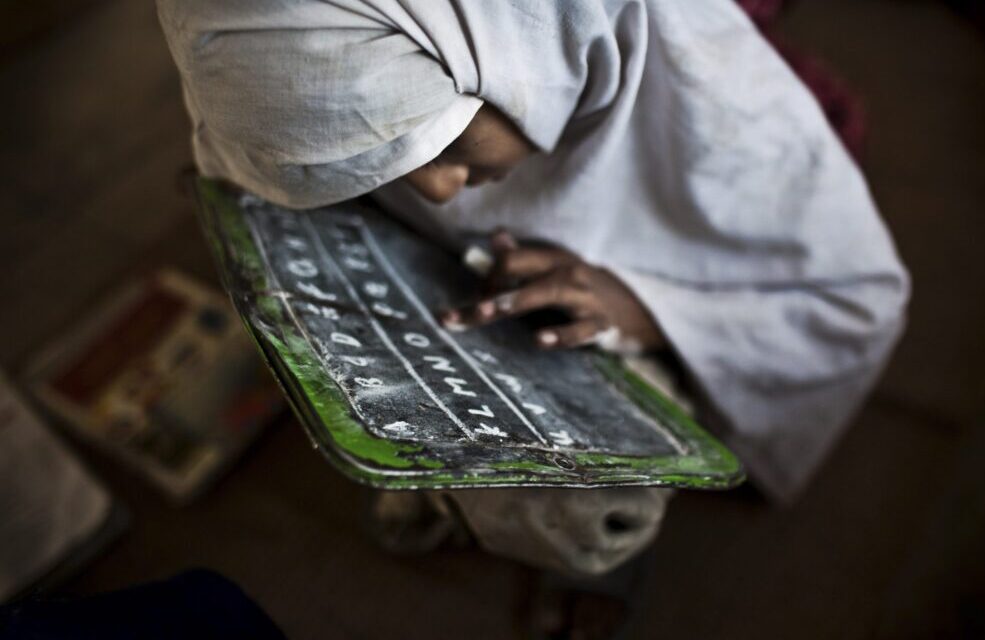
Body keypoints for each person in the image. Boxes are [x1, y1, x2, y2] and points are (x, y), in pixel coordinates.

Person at [158, 0, 908, 577]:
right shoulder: (328, 43)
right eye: (376, 163)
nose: (442, 192)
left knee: (583, 508)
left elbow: (851, 305)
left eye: (443, 140)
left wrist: (641, 311)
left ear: (520, 47)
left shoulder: (725, 108)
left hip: (679, 258)